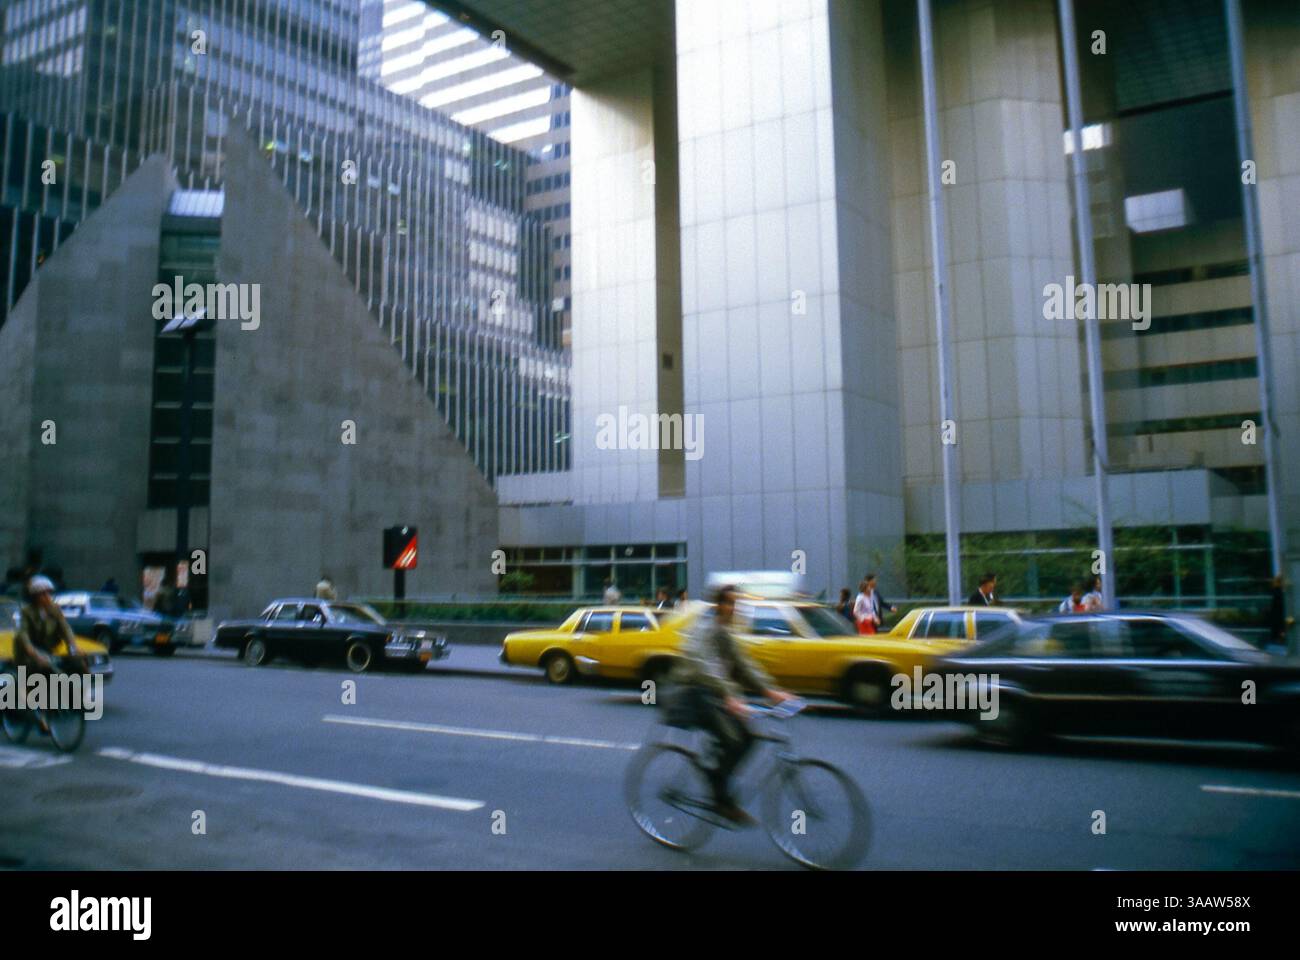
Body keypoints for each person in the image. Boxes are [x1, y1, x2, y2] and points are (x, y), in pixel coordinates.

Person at [671, 585, 793, 824]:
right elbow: (699, 663)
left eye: (737, 604)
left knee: (748, 737)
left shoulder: (724, 633)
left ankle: (718, 781)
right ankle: (720, 796)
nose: (734, 609)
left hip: (713, 692)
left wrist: (771, 691)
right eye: (729, 603)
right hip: (694, 692)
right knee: (734, 739)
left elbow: (743, 664)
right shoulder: (705, 628)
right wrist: (729, 695)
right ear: (719, 605)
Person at [11, 576, 84, 733]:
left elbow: (66, 629)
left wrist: (73, 646)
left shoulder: (55, 610)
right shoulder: (27, 612)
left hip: (48, 651)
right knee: (41, 674)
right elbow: (23, 635)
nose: (47, 597)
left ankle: (71, 698)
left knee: (73, 665)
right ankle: (41, 717)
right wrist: (34, 653)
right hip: (27, 654)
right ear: (35, 597)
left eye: (48, 593)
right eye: (43, 594)